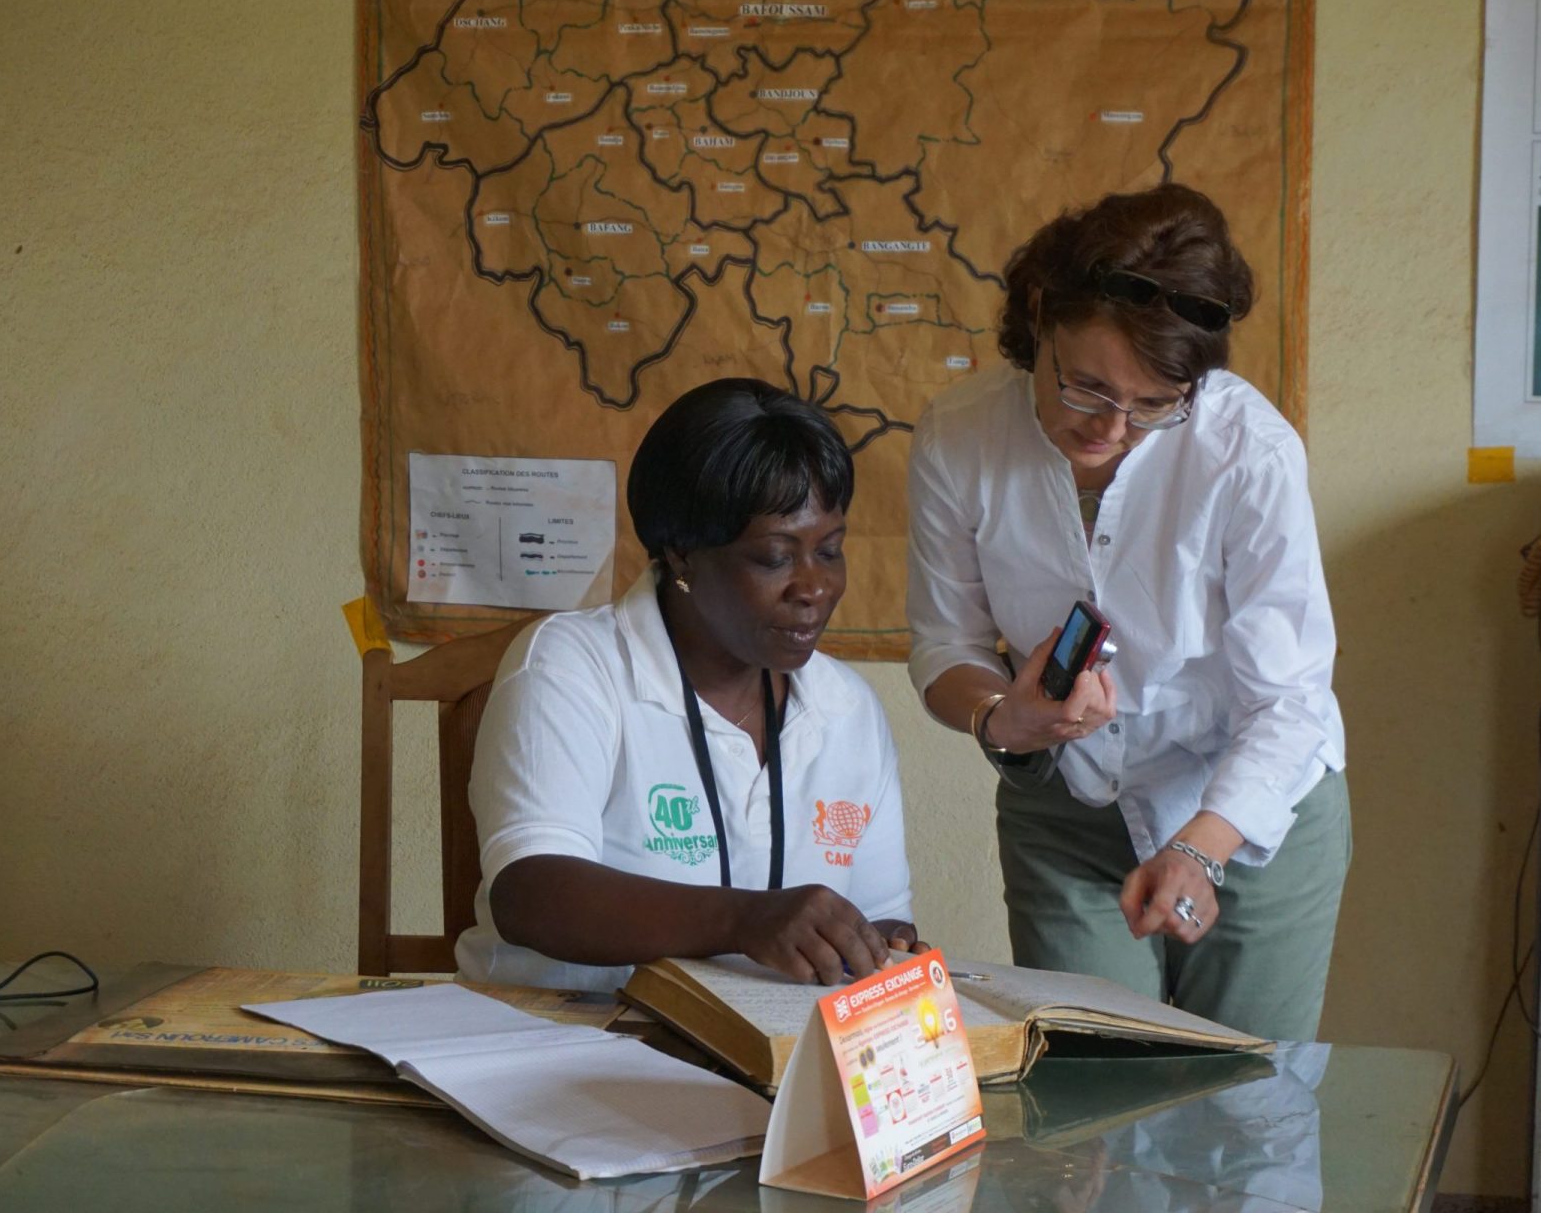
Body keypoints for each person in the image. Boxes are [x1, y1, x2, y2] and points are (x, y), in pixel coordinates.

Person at [904, 185, 1349, 1041]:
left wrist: (1200, 847)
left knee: (1243, 1105)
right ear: (1039, 321)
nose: (1112, 428)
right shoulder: (959, 436)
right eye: (1087, 389)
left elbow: (1288, 698)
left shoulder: (1247, 452)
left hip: (1249, 807)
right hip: (1066, 811)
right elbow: (944, 648)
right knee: (1089, 1103)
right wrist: (1003, 716)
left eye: (1153, 404)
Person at [455, 378, 920, 991]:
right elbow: (530, 891)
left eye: (829, 551)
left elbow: (884, 915)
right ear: (680, 556)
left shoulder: (847, 709)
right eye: (776, 557)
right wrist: (745, 918)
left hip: (762, 1060)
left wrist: (874, 944)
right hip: (563, 1042)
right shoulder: (570, 665)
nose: (814, 588)